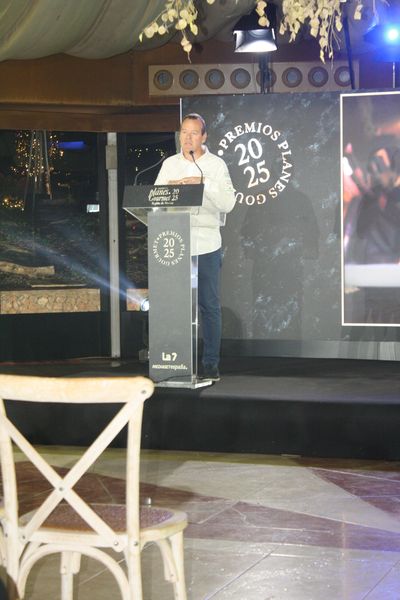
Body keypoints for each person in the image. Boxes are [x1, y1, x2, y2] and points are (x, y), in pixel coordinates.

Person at [154, 113, 236, 381]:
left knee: (208, 306)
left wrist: (203, 184)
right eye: (183, 132)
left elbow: (228, 204)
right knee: (174, 306)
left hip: (207, 244)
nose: (187, 138)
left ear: (204, 136)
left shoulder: (216, 165)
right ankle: (175, 362)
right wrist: (174, 188)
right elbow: (155, 200)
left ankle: (210, 363)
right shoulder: (169, 164)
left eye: (193, 133)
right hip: (175, 244)